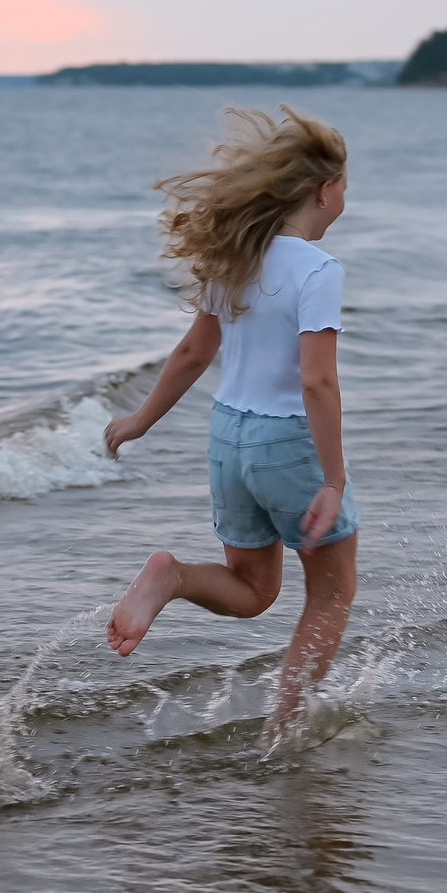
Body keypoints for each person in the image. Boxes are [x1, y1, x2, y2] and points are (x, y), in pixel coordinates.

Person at [102, 106, 358, 748]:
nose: (345, 199)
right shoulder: (319, 271)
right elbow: (317, 381)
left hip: (228, 439)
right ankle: (285, 729)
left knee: (253, 590)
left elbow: (194, 353)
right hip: (286, 445)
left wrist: (138, 421)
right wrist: (332, 477)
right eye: (346, 186)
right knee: (330, 595)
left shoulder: (237, 259)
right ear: (323, 191)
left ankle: (173, 576)